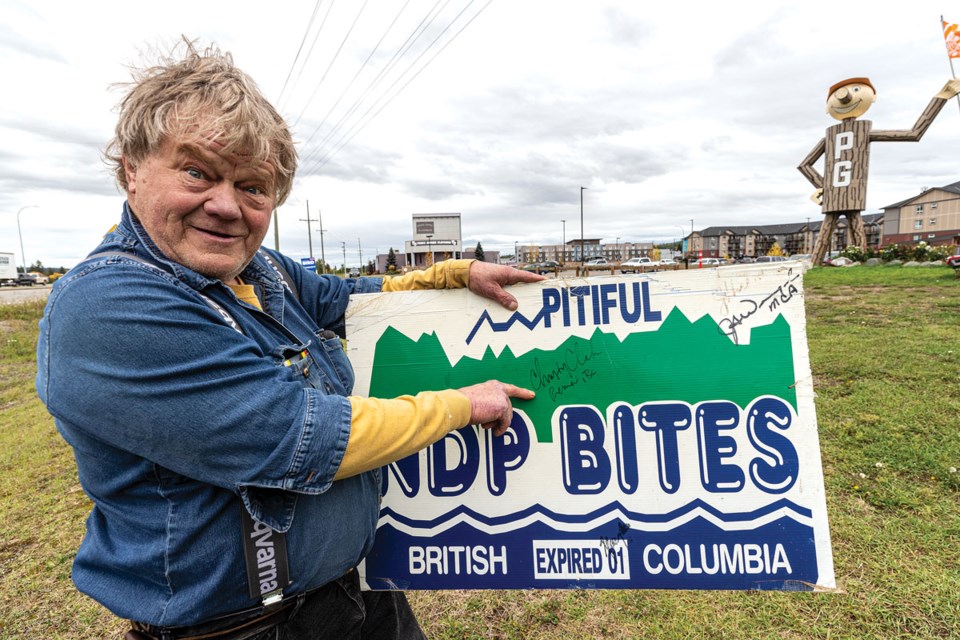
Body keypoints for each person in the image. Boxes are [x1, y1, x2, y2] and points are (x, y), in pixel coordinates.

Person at [36, 39, 544, 640]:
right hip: (239, 629)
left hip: (350, 596)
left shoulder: (260, 271)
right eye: (197, 171)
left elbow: (348, 299)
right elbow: (303, 438)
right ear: (132, 169)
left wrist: (451, 274)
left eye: (253, 187)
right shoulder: (111, 307)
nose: (226, 206)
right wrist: (463, 404)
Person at [797, 76, 960, 265]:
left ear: (872, 97)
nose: (845, 97)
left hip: (850, 193)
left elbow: (914, 133)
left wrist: (940, 98)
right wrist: (823, 186)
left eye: (856, 90)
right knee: (834, 230)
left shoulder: (863, 130)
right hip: (836, 194)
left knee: (853, 226)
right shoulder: (830, 136)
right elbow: (804, 165)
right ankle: (838, 262)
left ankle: (860, 262)